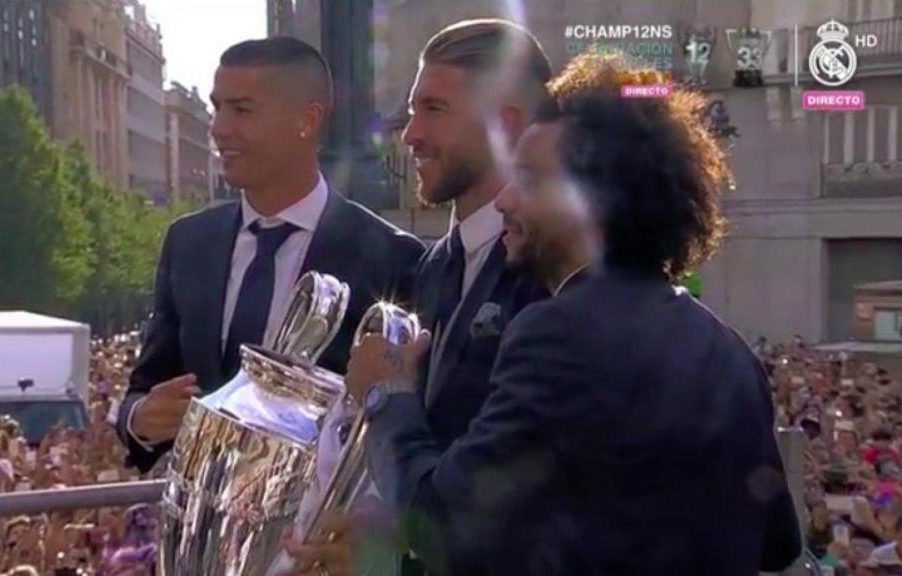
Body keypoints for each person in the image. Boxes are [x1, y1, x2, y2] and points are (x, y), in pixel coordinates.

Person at [344, 53, 802, 575]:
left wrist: (386, 394)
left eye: (530, 179)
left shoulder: (557, 333)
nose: (505, 200)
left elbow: (442, 523)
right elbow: (777, 543)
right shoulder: (729, 350)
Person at [282, 19, 558, 576]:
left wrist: (384, 391)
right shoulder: (430, 267)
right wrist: (383, 540)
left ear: (505, 125)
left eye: (433, 110)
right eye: (410, 111)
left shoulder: (552, 274)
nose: (408, 135)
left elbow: (516, 500)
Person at [116, 36, 424, 472]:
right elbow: (143, 390)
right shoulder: (187, 244)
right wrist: (140, 418)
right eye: (216, 106)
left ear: (308, 119)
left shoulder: (391, 257)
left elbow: (400, 423)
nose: (219, 128)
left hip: (321, 533)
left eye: (241, 110)